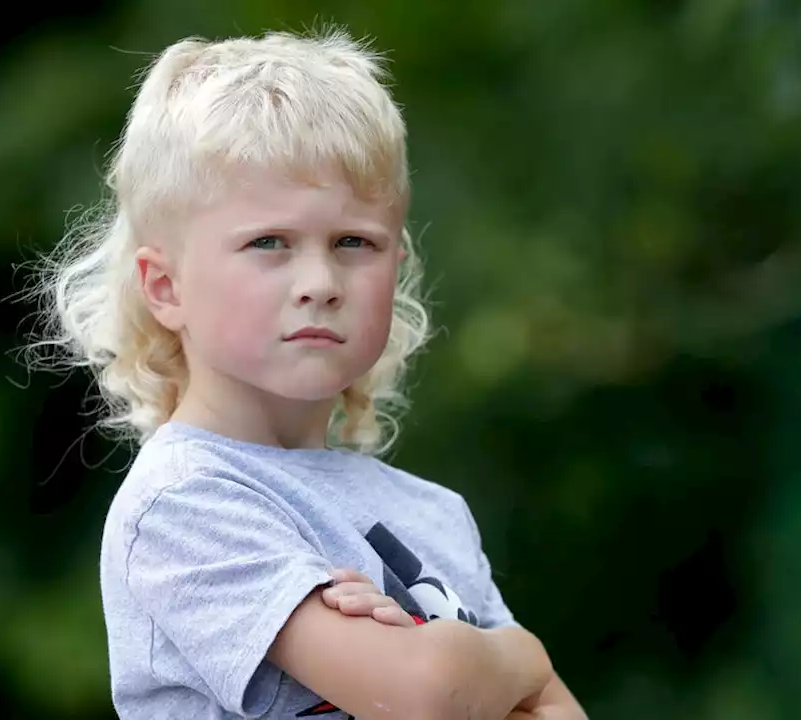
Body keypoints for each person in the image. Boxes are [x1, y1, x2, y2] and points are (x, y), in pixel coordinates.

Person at [31, 27, 587, 719]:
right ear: (166, 288)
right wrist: (518, 657)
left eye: (354, 242)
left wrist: (452, 665)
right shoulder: (184, 504)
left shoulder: (434, 515)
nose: (320, 281)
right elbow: (426, 694)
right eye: (269, 243)